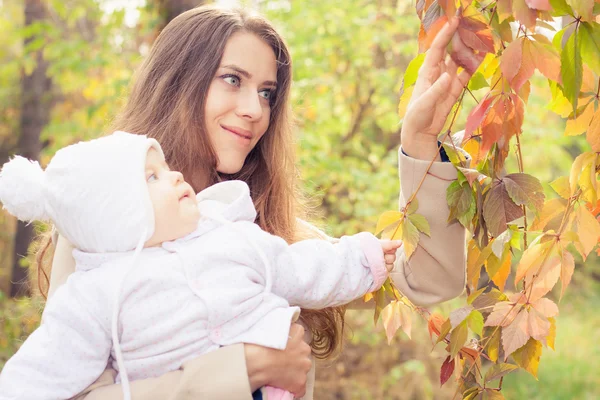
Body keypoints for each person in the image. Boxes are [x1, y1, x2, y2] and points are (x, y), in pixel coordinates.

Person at [36, 5, 475, 400]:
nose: (255, 109)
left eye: (267, 93)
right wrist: (247, 368)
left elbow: (425, 278)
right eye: (233, 80)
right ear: (176, 83)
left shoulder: (269, 237)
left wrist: (418, 143)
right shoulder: (104, 227)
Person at [0, 131, 401, 400]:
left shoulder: (228, 234)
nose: (173, 176)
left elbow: (300, 267)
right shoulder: (94, 291)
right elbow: (45, 368)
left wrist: (361, 259)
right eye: (152, 177)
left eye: (165, 167)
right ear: (117, 214)